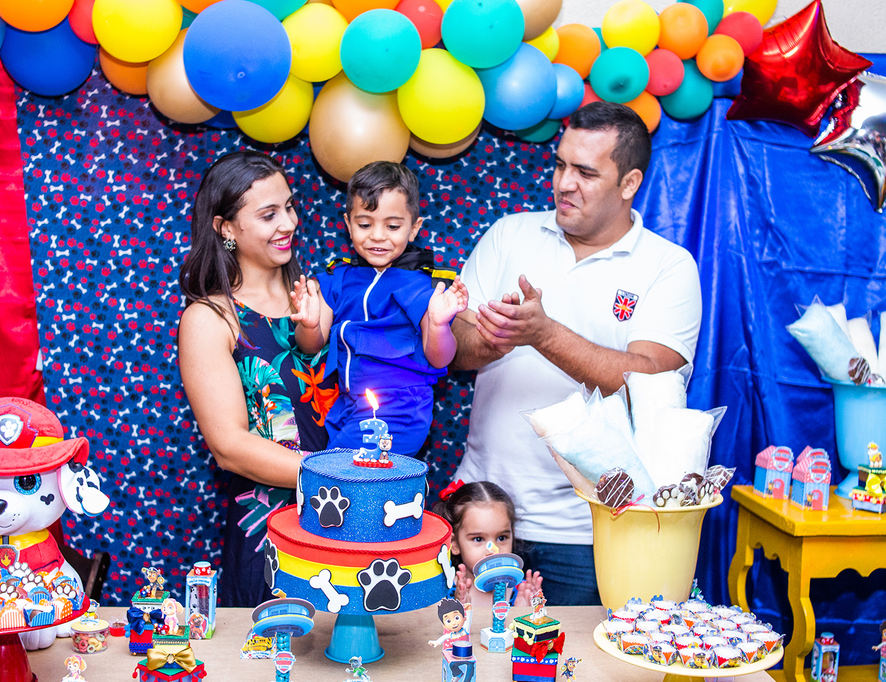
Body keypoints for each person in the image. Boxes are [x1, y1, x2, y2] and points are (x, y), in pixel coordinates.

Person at [450, 102, 703, 605]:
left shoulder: (668, 267)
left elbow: (653, 385)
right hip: (480, 517)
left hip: (586, 529)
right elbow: (455, 348)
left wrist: (543, 334)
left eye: (585, 173)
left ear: (629, 183)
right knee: (466, 646)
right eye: (560, 164)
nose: (564, 183)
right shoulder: (510, 234)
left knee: (579, 653)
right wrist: (495, 336)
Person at [178, 151, 336, 608]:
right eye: (268, 215)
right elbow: (229, 446)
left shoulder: (315, 294)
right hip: (271, 530)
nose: (288, 223)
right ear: (226, 228)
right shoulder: (210, 319)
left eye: (289, 207)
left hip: (349, 521)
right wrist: (337, 477)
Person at [290, 161, 468, 456]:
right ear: (348, 225)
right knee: (337, 479)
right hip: (347, 405)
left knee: (333, 475)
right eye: (365, 224)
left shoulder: (423, 286)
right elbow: (310, 345)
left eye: (392, 226)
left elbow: (440, 358)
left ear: (414, 228)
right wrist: (308, 325)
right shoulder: (337, 279)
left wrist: (438, 325)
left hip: (399, 409)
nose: (377, 235)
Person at [431, 480, 543, 608]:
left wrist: (523, 614)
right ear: (454, 543)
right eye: (478, 539)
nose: (493, 550)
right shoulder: (440, 593)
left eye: (501, 538)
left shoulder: (523, 591)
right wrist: (459, 613)